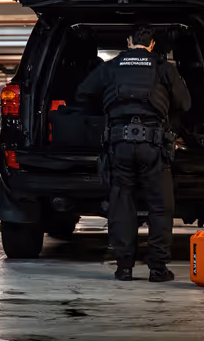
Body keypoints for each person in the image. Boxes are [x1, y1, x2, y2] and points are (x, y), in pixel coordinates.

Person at [76, 25, 190, 282]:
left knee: (121, 205)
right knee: (160, 207)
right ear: (152, 45)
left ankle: (124, 268)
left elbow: (82, 93)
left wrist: (109, 106)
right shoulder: (164, 68)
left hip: (119, 146)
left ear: (128, 42)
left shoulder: (111, 67)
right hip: (153, 146)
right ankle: (158, 269)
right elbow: (185, 104)